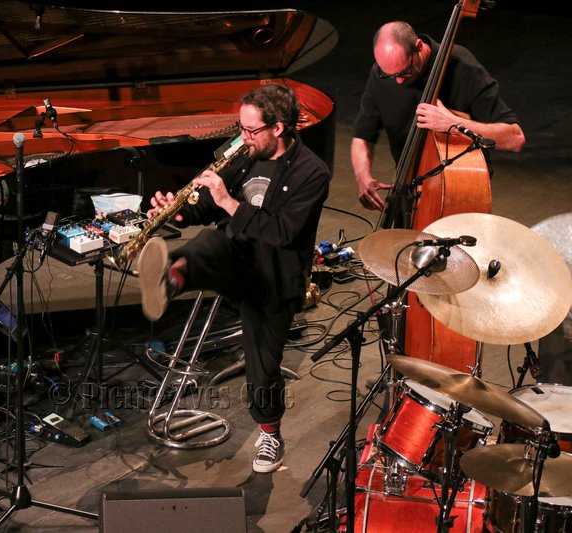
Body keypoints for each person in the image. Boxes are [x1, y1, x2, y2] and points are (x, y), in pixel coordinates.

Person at [136, 83, 331, 473]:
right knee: (210, 241)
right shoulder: (243, 153)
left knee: (263, 367)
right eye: (240, 128)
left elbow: (283, 233)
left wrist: (228, 200)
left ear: (278, 128)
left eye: (250, 130)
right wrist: (178, 210)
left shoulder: (313, 172)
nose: (243, 137)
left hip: (274, 278)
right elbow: (207, 204)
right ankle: (170, 280)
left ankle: (270, 436)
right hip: (234, 259)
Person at [352, 21, 526, 211]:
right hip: (409, 196)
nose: (399, 81)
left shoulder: (463, 68)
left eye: (404, 72)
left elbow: (514, 138)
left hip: (458, 196)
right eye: (391, 75)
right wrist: (363, 177)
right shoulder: (382, 74)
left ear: (419, 47)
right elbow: (362, 136)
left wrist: (454, 123)